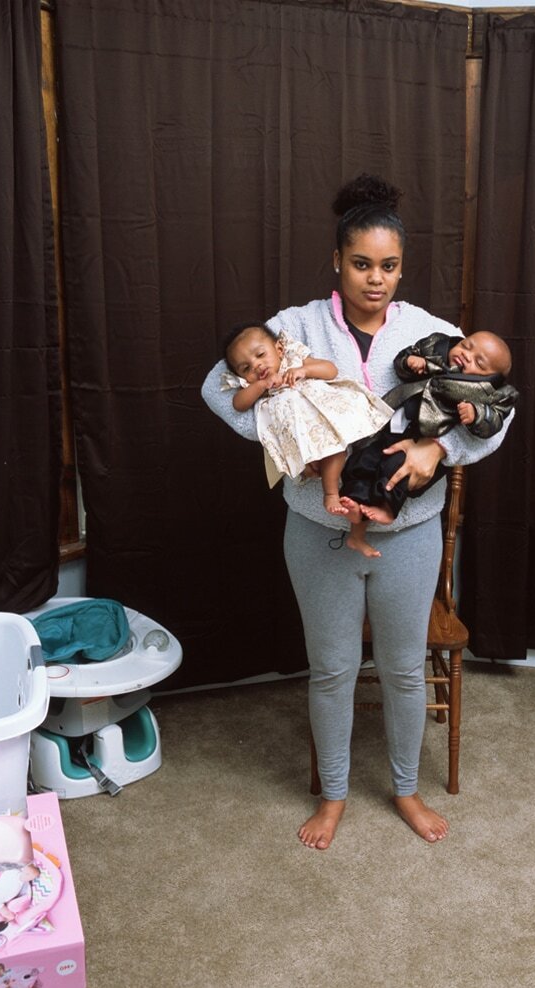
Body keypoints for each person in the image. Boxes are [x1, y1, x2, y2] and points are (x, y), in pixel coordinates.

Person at [200, 173, 514, 849]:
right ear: (338, 262)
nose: (377, 279)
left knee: (403, 668)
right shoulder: (296, 327)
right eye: (363, 264)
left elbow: (499, 409)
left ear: (404, 268)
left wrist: (442, 452)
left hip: (410, 532)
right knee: (334, 668)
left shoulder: (435, 333)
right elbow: (216, 386)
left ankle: (405, 789)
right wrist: (293, 440)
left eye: (390, 266)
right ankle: (335, 796)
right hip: (318, 528)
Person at [337, 329, 518, 557]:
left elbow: (495, 420)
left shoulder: (487, 392)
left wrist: (476, 413)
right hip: (393, 426)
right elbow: (404, 360)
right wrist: (411, 361)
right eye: (467, 346)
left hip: (421, 437)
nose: (466, 356)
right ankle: (356, 520)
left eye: (479, 363)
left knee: (396, 470)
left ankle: (388, 508)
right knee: (361, 460)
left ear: (491, 378)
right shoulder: (437, 348)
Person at [219, 321, 392, 513]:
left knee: (334, 447)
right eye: (246, 368)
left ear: (279, 348)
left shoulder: (294, 359)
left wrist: (305, 370)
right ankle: (331, 493)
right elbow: (238, 404)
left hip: (322, 416)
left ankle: (331, 492)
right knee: (308, 455)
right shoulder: (255, 385)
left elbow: (330, 370)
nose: (257, 365)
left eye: (261, 355)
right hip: (296, 429)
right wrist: (261, 385)